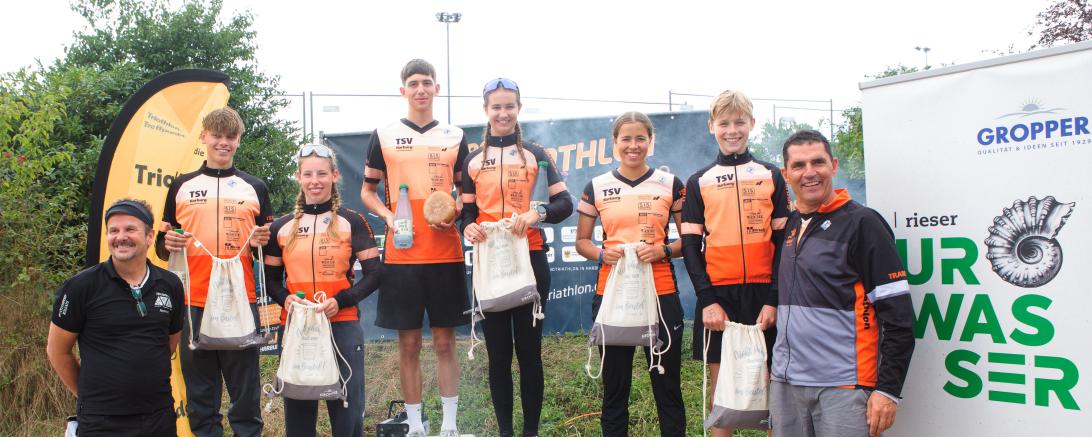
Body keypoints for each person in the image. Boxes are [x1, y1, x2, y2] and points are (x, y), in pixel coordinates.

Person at [771, 129, 914, 437]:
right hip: (787, 382)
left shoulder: (863, 223)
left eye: (818, 162)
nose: (809, 172)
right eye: (799, 165)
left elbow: (899, 317)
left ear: (833, 165)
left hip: (844, 385)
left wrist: (888, 390)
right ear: (786, 174)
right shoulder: (790, 226)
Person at [360, 58, 469, 437]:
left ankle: (450, 426)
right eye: (413, 83)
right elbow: (367, 191)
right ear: (403, 90)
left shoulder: (455, 135)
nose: (420, 89)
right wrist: (388, 217)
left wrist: (455, 211)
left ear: (437, 88)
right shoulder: (384, 135)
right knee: (408, 344)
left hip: (445, 253)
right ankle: (415, 425)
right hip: (402, 254)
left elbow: (465, 192)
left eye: (426, 82)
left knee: (444, 343)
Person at [460, 78, 573, 437]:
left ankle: (530, 432)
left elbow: (565, 204)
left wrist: (537, 213)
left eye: (509, 106)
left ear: (519, 109)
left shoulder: (536, 154)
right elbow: (466, 213)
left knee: (529, 354)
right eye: (496, 106)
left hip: (530, 259)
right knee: (498, 357)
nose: (503, 113)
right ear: (486, 110)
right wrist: (468, 227)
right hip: (490, 264)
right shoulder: (472, 160)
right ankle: (506, 432)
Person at [155, 107, 272, 437]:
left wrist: (263, 243)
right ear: (203, 137)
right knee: (201, 397)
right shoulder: (181, 185)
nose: (223, 142)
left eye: (230, 137)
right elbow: (162, 247)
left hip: (241, 300)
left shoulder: (255, 187)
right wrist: (168, 241)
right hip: (192, 301)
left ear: (239, 140)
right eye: (217, 136)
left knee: (245, 396)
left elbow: (269, 251)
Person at [680, 89, 789, 436]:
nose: (732, 130)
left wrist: (774, 299)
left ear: (752, 124)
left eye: (739, 122)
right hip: (719, 297)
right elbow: (690, 246)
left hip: (764, 293)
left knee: (773, 389)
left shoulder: (772, 175)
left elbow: (783, 245)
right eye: (724, 123)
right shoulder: (699, 181)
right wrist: (707, 300)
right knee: (722, 392)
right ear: (711, 126)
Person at [575, 111, 686, 437]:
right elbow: (582, 241)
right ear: (615, 142)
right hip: (613, 296)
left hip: (661, 295)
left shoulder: (670, 183)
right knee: (615, 390)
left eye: (640, 138)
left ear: (651, 141)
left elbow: (690, 240)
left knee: (668, 387)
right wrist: (602, 254)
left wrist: (664, 250)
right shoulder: (597, 186)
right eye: (626, 138)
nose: (633, 145)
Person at [262, 143, 380, 437]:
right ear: (298, 177)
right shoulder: (281, 227)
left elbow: (376, 274)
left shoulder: (352, 221)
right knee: (299, 413)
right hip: (297, 327)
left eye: (322, 174)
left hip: (342, 324)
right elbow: (271, 280)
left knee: (347, 411)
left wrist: (341, 300)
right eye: (308, 174)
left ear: (335, 175)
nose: (315, 181)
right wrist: (285, 298)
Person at [47, 199, 185, 436]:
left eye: (130, 229)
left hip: (159, 417)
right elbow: (57, 351)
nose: (121, 237)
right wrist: (90, 397)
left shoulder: (171, 285)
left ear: (150, 236)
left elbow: (168, 344)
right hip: (101, 422)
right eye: (113, 231)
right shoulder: (81, 287)